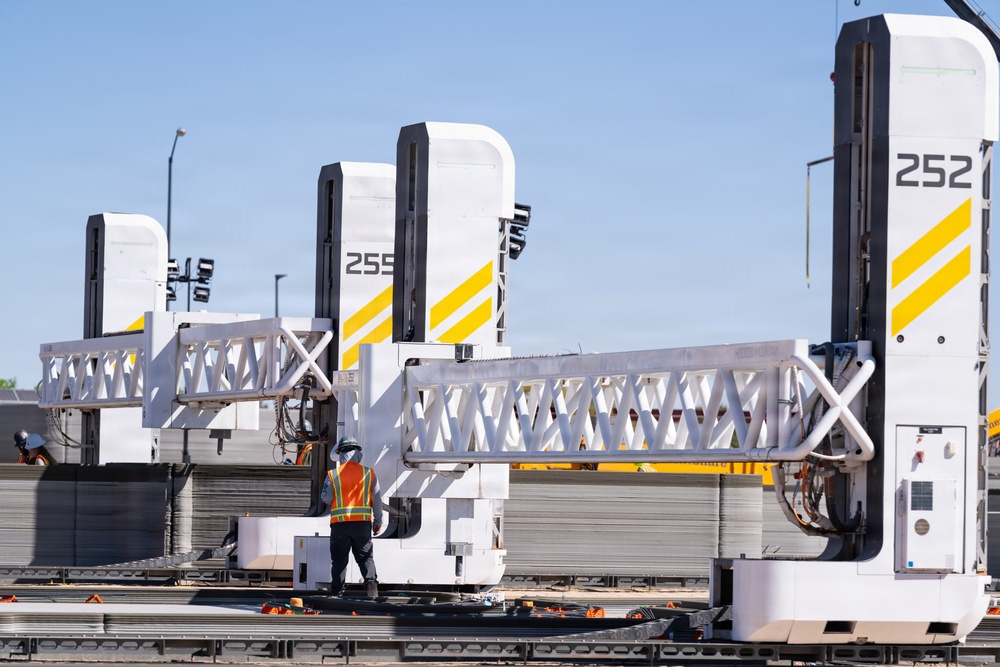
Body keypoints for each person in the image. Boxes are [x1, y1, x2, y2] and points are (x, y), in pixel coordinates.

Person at [320, 435, 382, 597]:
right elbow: (377, 500)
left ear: (340, 453)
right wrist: (378, 521)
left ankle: (337, 591)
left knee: (339, 560)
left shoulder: (333, 474)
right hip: (362, 524)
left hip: (340, 524)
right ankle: (371, 589)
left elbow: (325, 498)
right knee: (365, 557)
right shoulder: (369, 473)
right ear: (358, 453)